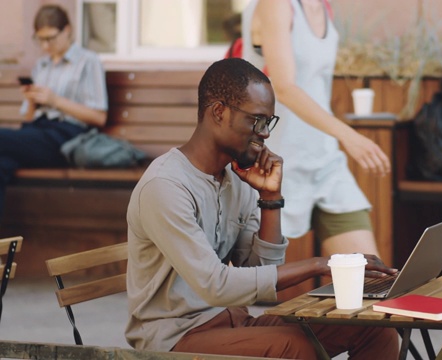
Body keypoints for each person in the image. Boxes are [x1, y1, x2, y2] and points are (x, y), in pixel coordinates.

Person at [125, 58, 399, 359]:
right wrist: (322, 265)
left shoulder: (236, 179)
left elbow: (258, 272)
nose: (265, 133)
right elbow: (215, 286)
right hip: (174, 339)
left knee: (374, 326)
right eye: (256, 120)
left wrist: (270, 199)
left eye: (268, 122)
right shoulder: (165, 185)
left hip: (234, 324)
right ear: (219, 112)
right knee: (296, 348)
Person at [241, 0, 390, 257]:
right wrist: (348, 135)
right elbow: (285, 88)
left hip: (324, 161)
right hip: (269, 164)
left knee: (371, 279)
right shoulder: (276, 4)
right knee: (247, 288)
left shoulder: (323, 7)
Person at [0, 4, 107, 219]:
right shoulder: (42, 65)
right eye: (40, 39)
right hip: (36, 133)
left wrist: (55, 100)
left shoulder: (88, 61)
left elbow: (99, 117)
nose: (45, 45)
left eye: (50, 38)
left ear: (67, 30)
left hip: (66, 137)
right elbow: (29, 118)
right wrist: (32, 100)